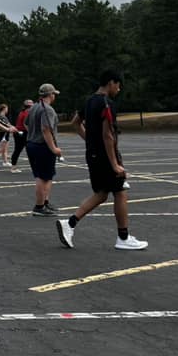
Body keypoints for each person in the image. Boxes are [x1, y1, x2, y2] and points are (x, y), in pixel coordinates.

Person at [56, 69, 148, 251]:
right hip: (106, 156)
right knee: (120, 192)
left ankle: (70, 223)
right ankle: (123, 237)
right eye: (118, 85)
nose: (119, 89)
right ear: (111, 83)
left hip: (93, 155)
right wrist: (115, 164)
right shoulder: (106, 103)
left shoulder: (90, 101)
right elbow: (108, 135)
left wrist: (91, 142)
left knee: (102, 193)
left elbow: (76, 122)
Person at [25, 84, 62, 217]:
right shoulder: (48, 110)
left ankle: (45, 202)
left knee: (45, 175)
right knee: (43, 177)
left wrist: (33, 135)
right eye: (54, 94)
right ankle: (39, 206)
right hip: (42, 146)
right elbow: (46, 129)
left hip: (32, 144)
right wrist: (54, 148)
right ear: (50, 94)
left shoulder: (34, 107)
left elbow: (26, 123)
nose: (54, 96)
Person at [10, 99, 33, 173]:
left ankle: (13, 167)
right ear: (29, 105)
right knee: (29, 149)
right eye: (32, 103)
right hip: (22, 133)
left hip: (19, 132)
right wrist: (31, 133)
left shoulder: (22, 112)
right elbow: (25, 124)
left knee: (18, 150)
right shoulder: (27, 112)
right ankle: (13, 168)